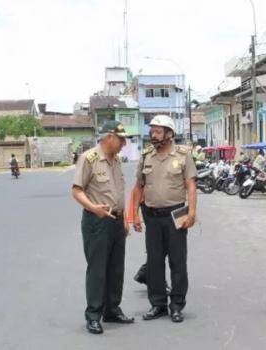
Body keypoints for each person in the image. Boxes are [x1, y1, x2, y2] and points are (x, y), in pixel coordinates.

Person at [132, 114, 197, 323]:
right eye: (152, 131)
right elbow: (139, 187)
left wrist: (193, 212)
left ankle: (177, 305)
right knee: (154, 262)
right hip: (152, 216)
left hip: (176, 214)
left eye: (158, 131)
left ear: (169, 134)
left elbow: (191, 186)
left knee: (178, 262)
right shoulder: (146, 156)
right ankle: (158, 304)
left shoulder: (182, 155)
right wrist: (134, 214)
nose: (153, 134)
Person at [72, 121, 134, 335]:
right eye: (121, 138)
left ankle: (112, 310)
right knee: (98, 269)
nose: (124, 143)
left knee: (116, 268)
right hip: (97, 221)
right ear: (109, 137)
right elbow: (77, 191)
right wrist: (93, 208)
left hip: (116, 221)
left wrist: (124, 218)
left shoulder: (116, 160)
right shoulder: (89, 158)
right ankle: (93, 316)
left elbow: (118, 192)